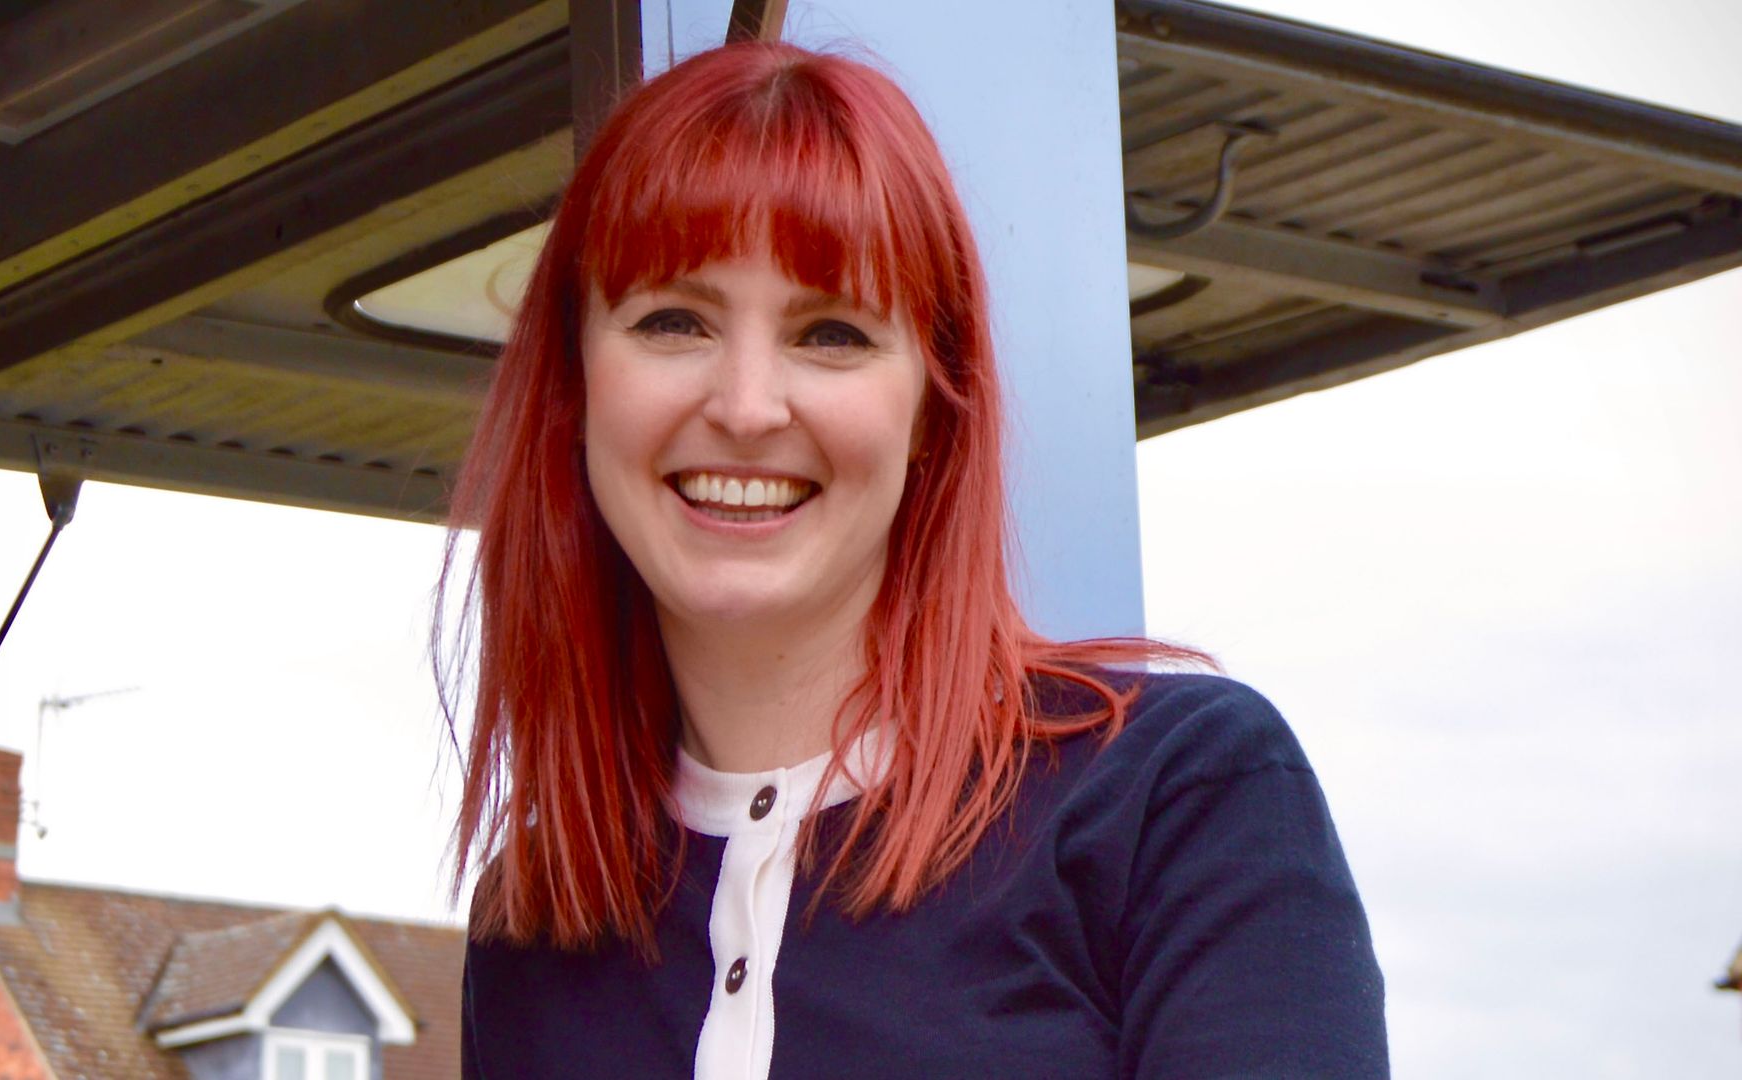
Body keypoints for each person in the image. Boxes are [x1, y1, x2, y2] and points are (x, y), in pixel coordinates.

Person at [440, 40, 1387, 1079]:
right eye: (674, 321)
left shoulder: (1180, 799)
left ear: (933, 406)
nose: (748, 408)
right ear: (575, 383)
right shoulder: (531, 927)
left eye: (832, 333)